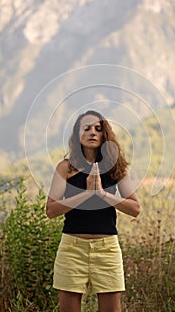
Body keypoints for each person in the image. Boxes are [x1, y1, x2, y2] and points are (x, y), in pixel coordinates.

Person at [46, 110, 140, 312]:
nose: (92, 133)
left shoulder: (116, 168)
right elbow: (51, 210)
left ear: (105, 135)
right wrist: (86, 193)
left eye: (98, 128)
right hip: (72, 248)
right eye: (86, 128)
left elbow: (135, 208)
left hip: (107, 249)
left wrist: (103, 194)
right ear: (77, 134)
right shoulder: (66, 168)